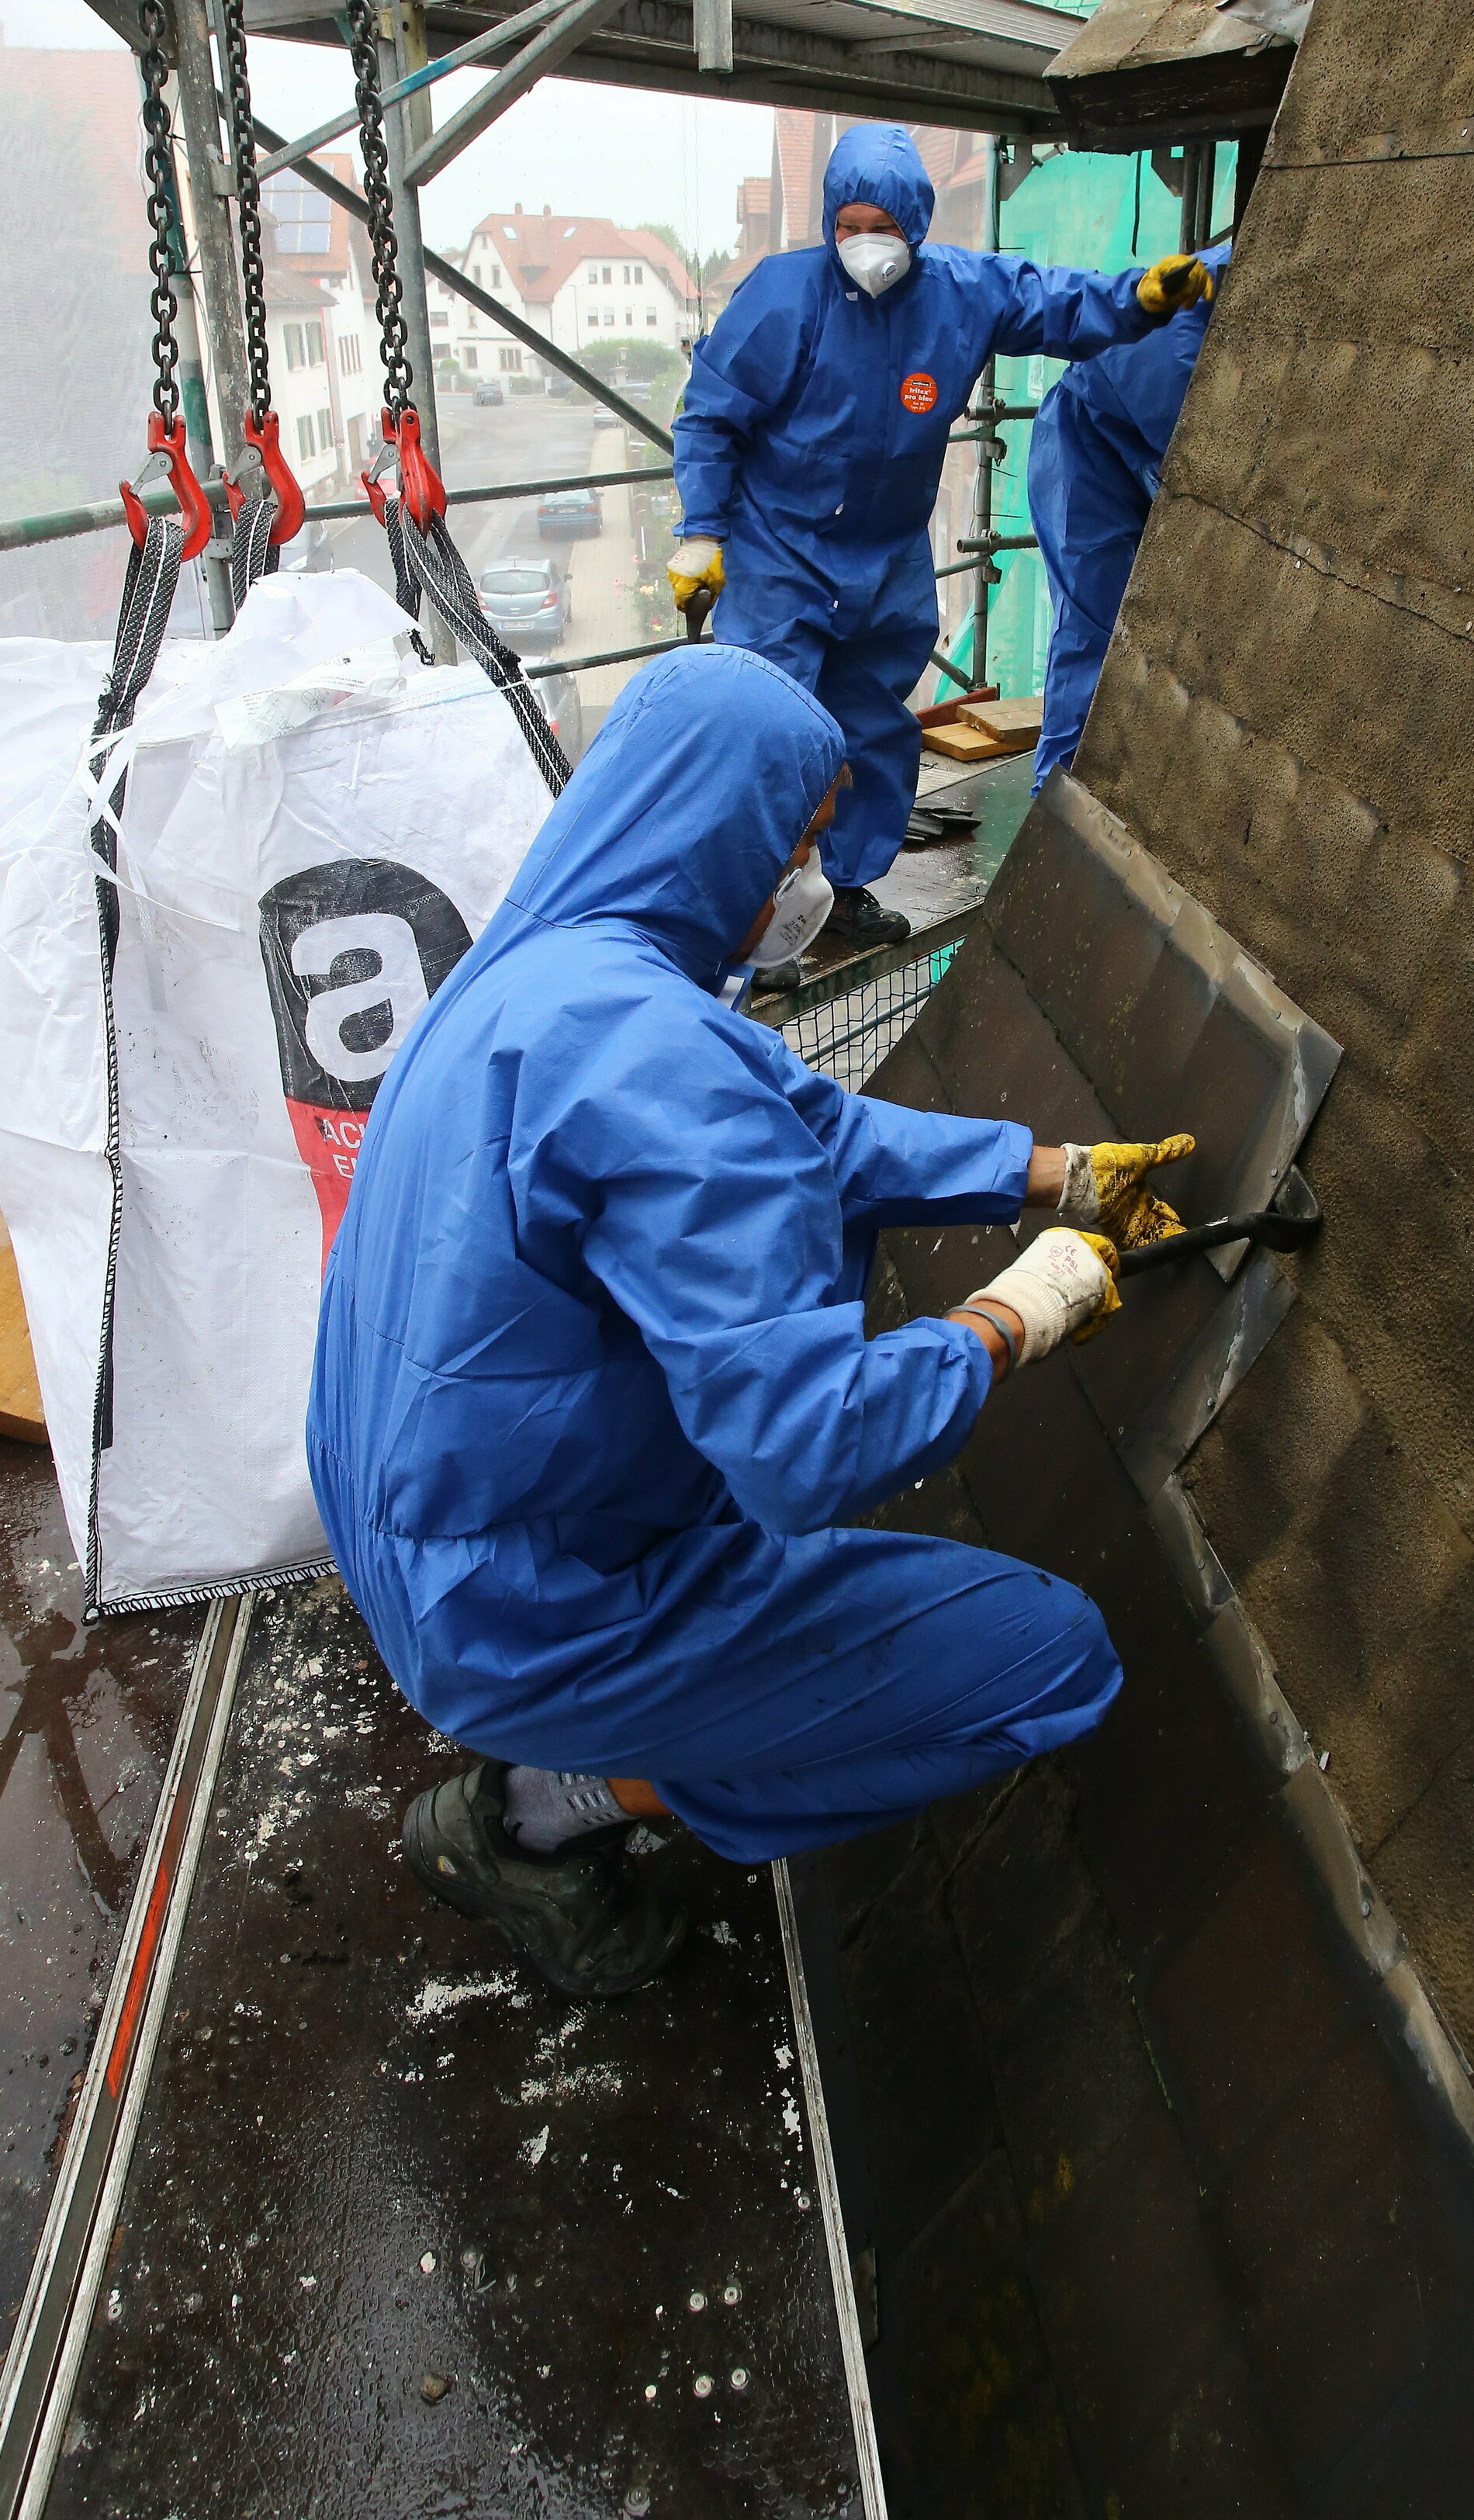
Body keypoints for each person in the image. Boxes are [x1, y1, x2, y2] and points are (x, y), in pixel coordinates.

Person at [306, 645, 1194, 1997]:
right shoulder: (652, 1055)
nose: (809, 885)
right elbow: (804, 1452)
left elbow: (802, 1127)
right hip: (522, 1608)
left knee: (765, 1284)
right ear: (719, 830)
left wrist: (1050, 1174)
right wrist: (1021, 1312)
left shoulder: (541, 975)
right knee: (1050, 1662)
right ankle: (550, 1807)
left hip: (420, 1530)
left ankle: (580, 1732)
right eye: (803, 841)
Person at [666, 123, 1216, 974]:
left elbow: (1054, 302)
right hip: (781, 552)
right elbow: (710, 413)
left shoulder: (960, 292)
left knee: (875, 728)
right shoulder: (782, 297)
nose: (862, 245)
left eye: (880, 228)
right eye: (846, 227)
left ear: (916, 224)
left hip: (883, 556)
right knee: (769, 737)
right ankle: (748, 917)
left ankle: (843, 891)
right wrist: (703, 530)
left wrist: (1140, 297)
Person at [1026, 238, 1232, 792]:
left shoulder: (1230, 289)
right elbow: (1198, 463)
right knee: (1092, 638)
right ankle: (1059, 803)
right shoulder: (1195, 323)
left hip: (1122, 442)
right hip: (1083, 456)